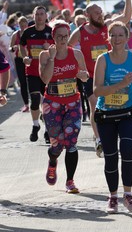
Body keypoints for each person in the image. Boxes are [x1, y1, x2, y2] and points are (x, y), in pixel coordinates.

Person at [68, 0, 132, 157]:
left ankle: (110, 132)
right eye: (96, 13)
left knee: (111, 104)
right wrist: (77, 70)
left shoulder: (107, 26)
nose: (100, 15)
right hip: (90, 75)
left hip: (109, 73)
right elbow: (67, 50)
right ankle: (99, 139)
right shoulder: (80, 32)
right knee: (94, 104)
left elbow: (126, 17)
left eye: (101, 12)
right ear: (88, 16)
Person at [93, 21, 132, 213]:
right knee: (110, 157)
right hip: (106, 114)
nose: (116, 39)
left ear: (126, 38)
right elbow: (97, 90)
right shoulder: (102, 60)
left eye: (120, 35)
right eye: (113, 35)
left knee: (127, 150)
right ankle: (113, 196)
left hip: (128, 113)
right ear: (108, 38)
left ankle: (128, 194)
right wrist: (121, 84)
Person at [39, 21, 88, 193]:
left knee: (71, 142)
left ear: (68, 37)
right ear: (53, 37)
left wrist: (83, 76)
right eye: (59, 36)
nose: (62, 39)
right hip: (52, 103)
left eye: (65, 36)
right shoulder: (45, 56)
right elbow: (45, 79)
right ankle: (53, 161)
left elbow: (85, 75)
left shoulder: (76, 54)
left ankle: (70, 181)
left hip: (73, 103)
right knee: (57, 145)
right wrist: (52, 58)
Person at [20, 6, 54, 143]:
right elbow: (22, 46)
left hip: (47, 72)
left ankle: (47, 131)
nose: (39, 17)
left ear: (46, 16)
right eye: (37, 14)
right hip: (32, 71)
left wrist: (50, 49)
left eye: (42, 14)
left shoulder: (51, 31)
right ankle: (35, 125)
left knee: (47, 102)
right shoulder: (28, 32)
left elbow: (60, 48)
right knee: (34, 100)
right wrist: (25, 57)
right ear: (33, 17)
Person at [9, 16, 30, 112]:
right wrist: (14, 48)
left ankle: (37, 103)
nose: (23, 27)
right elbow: (10, 48)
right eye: (21, 25)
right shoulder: (15, 34)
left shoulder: (31, 33)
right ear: (18, 25)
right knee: (22, 82)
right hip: (20, 60)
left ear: (27, 24)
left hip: (31, 59)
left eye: (24, 25)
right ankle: (26, 104)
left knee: (33, 81)